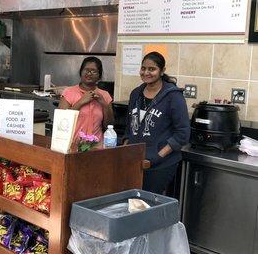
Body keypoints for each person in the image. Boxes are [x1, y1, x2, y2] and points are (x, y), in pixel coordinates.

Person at [125, 52, 190, 194]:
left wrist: (158, 156)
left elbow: (183, 134)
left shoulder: (173, 96)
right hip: (136, 161)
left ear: (162, 71)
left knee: (148, 205)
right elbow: (129, 126)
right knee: (133, 204)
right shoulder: (135, 93)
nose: (146, 72)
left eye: (152, 69)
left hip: (161, 164)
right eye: (143, 68)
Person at [58, 56, 114, 142]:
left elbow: (109, 125)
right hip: (73, 144)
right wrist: (81, 102)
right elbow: (61, 121)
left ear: (99, 76)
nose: (89, 73)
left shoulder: (105, 95)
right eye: (86, 70)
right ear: (81, 72)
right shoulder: (69, 92)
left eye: (94, 71)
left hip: (96, 147)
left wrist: (103, 103)